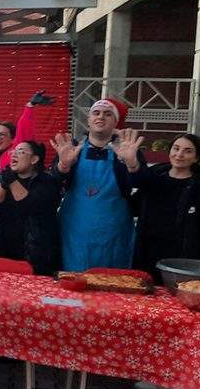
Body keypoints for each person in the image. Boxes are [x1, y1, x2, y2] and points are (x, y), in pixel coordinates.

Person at [51, 98, 146, 271]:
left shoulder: (127, 149)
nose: (101, 117)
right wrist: (63, 165)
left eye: (108, 114)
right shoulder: (71, 147)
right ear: (89, 120)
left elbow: (142, 182)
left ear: (116, 122)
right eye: (96, 113)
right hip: (74, 227)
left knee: (110, 279)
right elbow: (54, 182)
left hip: (113, 228)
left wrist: (132, 164)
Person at [130, 133, 200, 280]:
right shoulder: (154, 176)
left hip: (184, 260)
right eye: (176, 148)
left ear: (197, 157)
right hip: (148, 252)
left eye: (188, 151)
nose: (179, 154)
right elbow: (133, 205)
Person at [0, 91, 54, 254]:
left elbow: (24, 129)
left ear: (13, 139)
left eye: (1, 134)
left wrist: (29, 107)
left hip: (18, 231)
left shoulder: (13, 155)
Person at [0, 140, 61, 275]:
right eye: (13, 152)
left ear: (34, 159)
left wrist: (12, 181)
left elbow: (29, 206)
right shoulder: (5, 177)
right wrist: (4, 182)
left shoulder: (46, 181)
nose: (14, 155)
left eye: (21, 152)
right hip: (4, 248)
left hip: (35, 253)